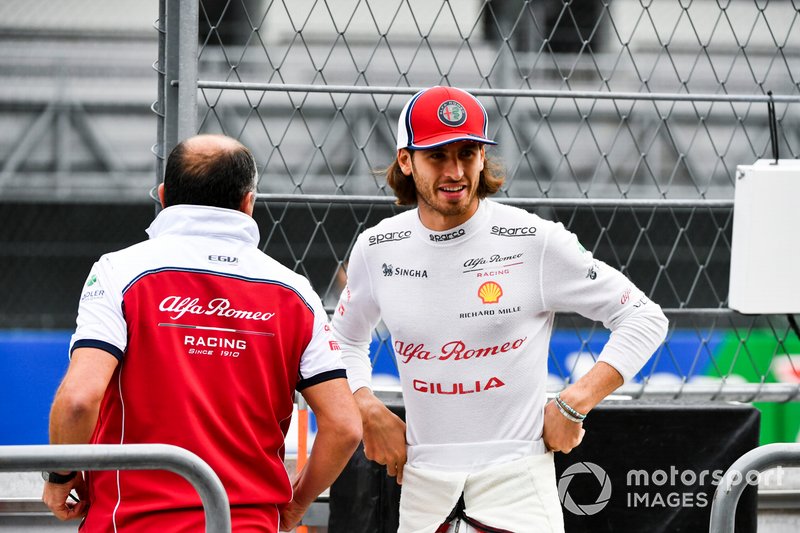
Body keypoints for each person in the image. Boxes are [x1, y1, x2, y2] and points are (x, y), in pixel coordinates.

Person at [330, 86, 669, 532]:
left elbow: (644, 316)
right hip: (422, 492)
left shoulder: (534, 239)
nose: (455, 171)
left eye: (468, 153)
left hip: (518, 486)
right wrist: (365, 405)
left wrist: (575, 402)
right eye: (437, 156)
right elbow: (345, 338)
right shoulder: (376, 247)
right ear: (406, 161)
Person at [42, 134, 362, 532]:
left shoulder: (119, 271)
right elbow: (345, 426)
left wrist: (60, 475)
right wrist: (295, 505)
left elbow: (77, 400)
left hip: (133, 524)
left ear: (163, 196)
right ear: (249, 203)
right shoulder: (296, 292)